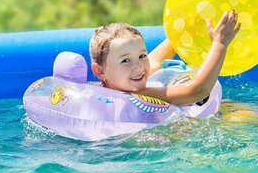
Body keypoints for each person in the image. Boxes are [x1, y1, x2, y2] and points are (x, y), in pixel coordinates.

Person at [89, 10, 241, 105]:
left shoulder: (106, 87)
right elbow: (197, 91)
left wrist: (183, 33)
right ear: (100, 71)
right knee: (243, 113)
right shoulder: (135, 96)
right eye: (125, 60)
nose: (139, 67)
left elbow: (154, 61)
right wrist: (220, 44)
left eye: (142, 55)